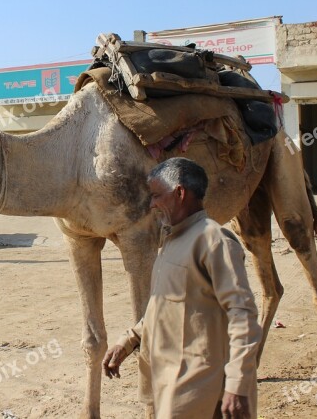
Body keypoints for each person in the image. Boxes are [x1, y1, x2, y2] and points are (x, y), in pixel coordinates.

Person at [102, 157, 262, 419]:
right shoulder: (172, 239)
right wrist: (128, 340)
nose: (152, 204)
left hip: (200, 388)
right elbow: (162, 304)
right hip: (168, 380)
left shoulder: (214, 241)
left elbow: (243, 315)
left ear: (179, 193)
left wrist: (237, 385)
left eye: (156, 196)